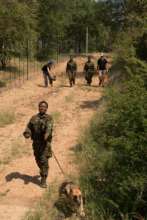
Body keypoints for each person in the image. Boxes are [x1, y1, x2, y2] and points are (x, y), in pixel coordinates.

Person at [23, 101, 53, 188]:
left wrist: (46, 136)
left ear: (46, 108)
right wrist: (27, 133)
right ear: (38, 107)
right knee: (38, 160)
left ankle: (43, 180)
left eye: (44, 107)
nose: (42, 108)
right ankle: (43, 170)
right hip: (36, 144)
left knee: (44, 161)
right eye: (41, 106)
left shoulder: (49, 118)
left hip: (45, 145)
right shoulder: (33, 118)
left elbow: (49, 128)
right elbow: (29, 127)